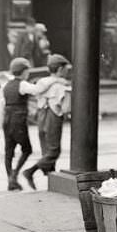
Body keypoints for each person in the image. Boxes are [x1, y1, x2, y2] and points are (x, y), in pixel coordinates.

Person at [0, 58, 66, 191]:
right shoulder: (23, 84)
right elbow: (38, 89)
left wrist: (0, 122)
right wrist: (55, 79)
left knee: (8, 151)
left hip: (7, 121)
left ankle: (11, 179)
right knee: (27, 150)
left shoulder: (6, 85)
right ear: (24, 71)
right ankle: (16, 174)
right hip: (18, 121)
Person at [22, 54, 71, 189]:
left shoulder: (42, 83)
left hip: (41, 118)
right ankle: (29, 171)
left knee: (46, 151)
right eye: (66, 69)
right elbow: (66, 107)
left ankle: (52, 182)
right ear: (60, 69)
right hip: (53, 118)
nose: (67, 71)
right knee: (54, 151)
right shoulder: (61, 86)